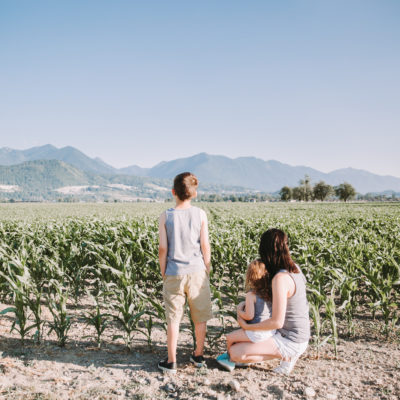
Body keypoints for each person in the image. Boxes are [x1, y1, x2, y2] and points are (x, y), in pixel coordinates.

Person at [229, 228, 310, 375]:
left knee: (235, 352)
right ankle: (283, 353)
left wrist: (247, 326)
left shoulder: (280, 279)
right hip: (298, 334)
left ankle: (288, 355)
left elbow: (276, 322)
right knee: (240, 344)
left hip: (291, 339)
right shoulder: (295, 268)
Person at [157, 172, 213, 374]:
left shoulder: (166, 216)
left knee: (173, 317)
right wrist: (207, 267)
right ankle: (198, 355)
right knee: (200, 316)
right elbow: (205, 245)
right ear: (194, 193)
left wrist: (163, 270)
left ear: (173, 192)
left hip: (174, 272)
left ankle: (171, 361)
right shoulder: (200, 214)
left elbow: (163, 248)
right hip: (197, 271)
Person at [216, 259, 276, 372]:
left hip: (255, 332)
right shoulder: (270, 293)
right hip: (269, 332)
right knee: (239, 339)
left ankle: (231, 360)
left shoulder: (251, 295)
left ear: (250, 276)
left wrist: (239, 310)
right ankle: (241, 358)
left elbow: (249, 316)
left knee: (230, 338)